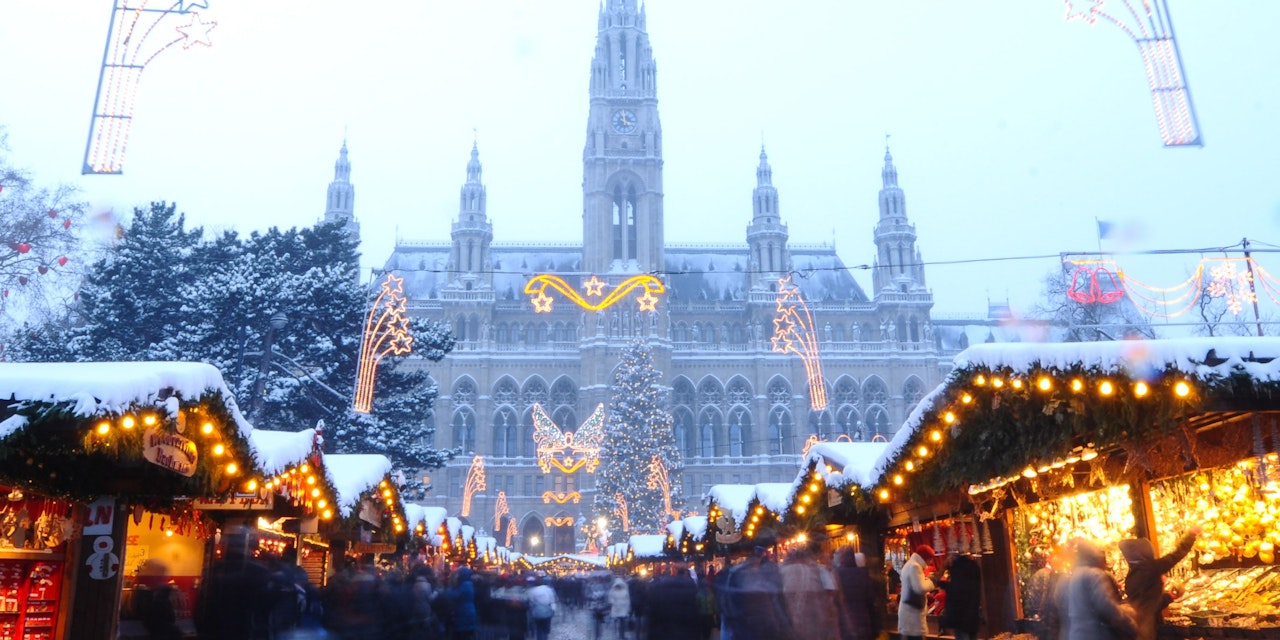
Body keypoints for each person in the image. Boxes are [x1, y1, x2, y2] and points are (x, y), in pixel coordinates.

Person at [1118, 527, 1199, 640]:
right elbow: (1176, 556)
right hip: (1146, 627)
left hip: (1140, 624)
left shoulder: (1133, 574)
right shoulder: (1150, 568)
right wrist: (1191, 535)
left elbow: (1148, 602)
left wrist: (1169, 596)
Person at [1060, 538, 1136, 640]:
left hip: (1077, 634)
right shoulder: (1095, 574)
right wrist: (1129, 624)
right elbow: (1106, 606)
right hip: (1096, 633)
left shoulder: (1075, 574)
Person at [779, 546, 840, 640]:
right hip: (813, 619)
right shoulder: (818, 569)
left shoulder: (781, 571)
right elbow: (831, 590)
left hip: (790, 621)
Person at [835, 550, 880, 640]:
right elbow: (871, 598)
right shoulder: (863, 574)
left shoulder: (837, 574)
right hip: (863, 618)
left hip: (845, 620)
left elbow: (835, 598)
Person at [938, 553, 983, 640]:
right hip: (973, 615)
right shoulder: (974, 566)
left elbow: (957, 590)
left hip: (960, 617)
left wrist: (943, 583)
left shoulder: (958, 568)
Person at [897, 545, 937, 640]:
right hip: (913, 614)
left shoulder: (909, 565)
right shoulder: (915, 567)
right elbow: (920, 588)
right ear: (924, 557)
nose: (930, 562)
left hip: (908, 612)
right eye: (930, 559)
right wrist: (931, 581)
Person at [449, 567, 479, 640]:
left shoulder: (464, 585)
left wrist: (448, 589)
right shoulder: (469, 584)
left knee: (462, 634)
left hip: (463, 613)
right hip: (468, 611)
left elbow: (453, 595)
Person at [528, 576, 558, 640]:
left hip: (537, 612)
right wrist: (553, 611)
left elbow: (531, 602)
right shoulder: (549, 589)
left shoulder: (533, 590)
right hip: (547, 611)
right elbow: (552, 601)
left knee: (538, 629)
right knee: (545, 630)